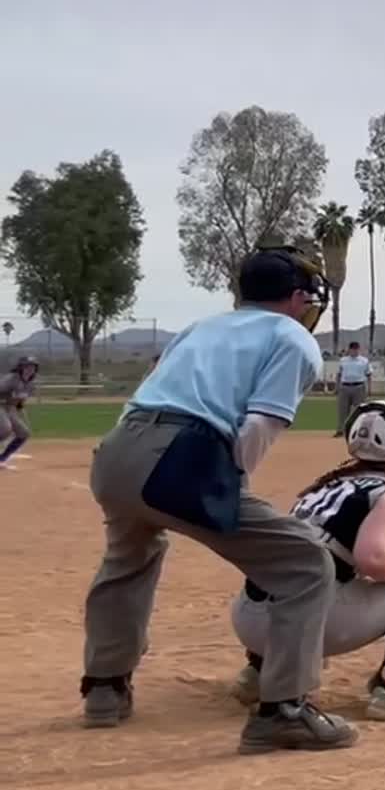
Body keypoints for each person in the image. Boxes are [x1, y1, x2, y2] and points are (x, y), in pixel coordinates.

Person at [79, 246, 357, 754]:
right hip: (178, 459)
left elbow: (152, 390)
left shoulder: (202, 326)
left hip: (117, 450)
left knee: (129, 556)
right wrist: (230, 485)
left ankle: (104, 689)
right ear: (297, 298)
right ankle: (284, 710)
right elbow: (258, 427)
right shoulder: (291, 337)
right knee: (305, 563)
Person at [230, 400, 385, 721]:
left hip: (249, 615)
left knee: (305, 574)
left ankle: (258, 674)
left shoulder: (332, 482)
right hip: (300, 623)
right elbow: (374, 561)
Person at [0, 354, 39, 468]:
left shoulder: (30, 385)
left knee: (24, 433)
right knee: (6, 429)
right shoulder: (11, 379)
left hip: (9, 408)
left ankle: (2, 459)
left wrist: (21, 413)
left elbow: (19, 403)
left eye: (32, 367)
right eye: (26, 366)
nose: (29, 369)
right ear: (20, 367)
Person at [334, 341, 372, 437]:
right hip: (345, 387)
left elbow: (369, 375)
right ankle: (341, 430)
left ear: (359, 349)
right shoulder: (343, 360)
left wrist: (370, 388)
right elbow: (339, 374)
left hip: (359, 387)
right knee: (343, 410)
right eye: (353, 349)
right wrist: (336, 387)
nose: (355, 351)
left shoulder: (364, 361)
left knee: (359, 410)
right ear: (349, 350)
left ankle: (359, 431)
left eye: (356, 349)